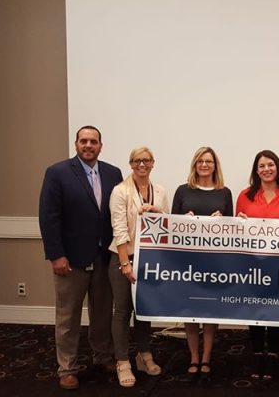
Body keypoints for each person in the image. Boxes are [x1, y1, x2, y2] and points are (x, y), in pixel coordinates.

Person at [39, 125, 123, 390]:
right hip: (71, 260)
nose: (89, 145)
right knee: (68, 317)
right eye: (84, 141)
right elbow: (49, 217)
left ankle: (102, 357)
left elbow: (116, 214)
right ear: (76, 144)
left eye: (94, 142)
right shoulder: (58, 173)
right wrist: (56, 255)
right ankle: (67, 368)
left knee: (101, 313)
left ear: (101, 146)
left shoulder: (113, 173)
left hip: (103, 257)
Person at [235, 150, 279, 380]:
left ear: (277, 167)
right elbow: (235, 232)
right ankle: (256, 354)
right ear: (256, 171)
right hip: (252, 264)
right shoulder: (244, 195)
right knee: (254, 307)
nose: (266, 169)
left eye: (270, 164)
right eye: (261, 166)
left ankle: (273, 353)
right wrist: (239, 223)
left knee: (275, 308)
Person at [108, 147, 169, 387]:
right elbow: (119, 228)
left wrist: (157, 212)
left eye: (146, 160)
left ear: (153, 163)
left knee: (144, 311)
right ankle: (122, 361)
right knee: (122, 311)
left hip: (150, 259)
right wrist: (125, 263)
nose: (142, 164)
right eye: (136, 161)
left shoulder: (161, 191)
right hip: (123, 258)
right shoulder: (120, 191)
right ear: (130, 164)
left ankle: (144, 355)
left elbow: (166, 225)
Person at [171, 146, 233, 380]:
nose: (205, 165)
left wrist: (222, 221)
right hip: (188, 262)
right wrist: (182, 220)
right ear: (194, 165)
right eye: (200, 161)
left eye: (209, 161)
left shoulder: (224, 192)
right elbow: (171, 226)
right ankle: (193, 357)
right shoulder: (182, 190)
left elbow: (232, 231)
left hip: (215, 263)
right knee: (190, 310)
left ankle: (206, 357)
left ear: (215, 165)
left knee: (209, 309)